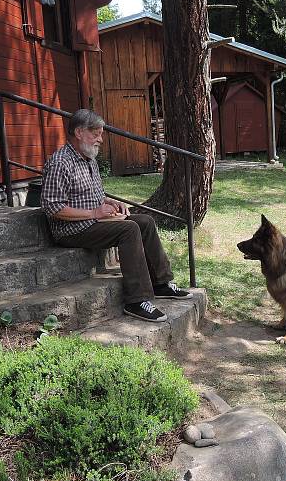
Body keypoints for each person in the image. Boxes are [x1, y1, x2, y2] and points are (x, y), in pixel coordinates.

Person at [41, 109, 190, 323]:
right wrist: (94, 212)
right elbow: (53, 208)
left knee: (145, 221)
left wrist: (110, 203)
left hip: (94, 222)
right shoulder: (60, 163)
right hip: (71, 230)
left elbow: (95, 196)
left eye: (101, 134)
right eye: (96, 134)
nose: (101, 139)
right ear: (79, 132)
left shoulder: (88, 159)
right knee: (129, 229)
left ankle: (161, 283)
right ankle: (137, 301)